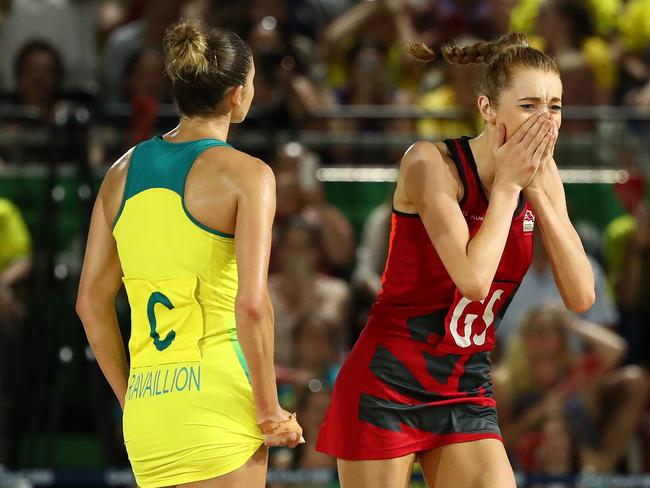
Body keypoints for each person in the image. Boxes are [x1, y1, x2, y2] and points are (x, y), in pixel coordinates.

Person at [317, 32, 596, 488]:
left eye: (555, 106)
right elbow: (473, 280)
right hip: (389, 381)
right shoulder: (430, 163)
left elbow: (582, 295)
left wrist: (538, 193)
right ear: (487, 108)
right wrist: (507, 186)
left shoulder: (542, 176)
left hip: (465, 385)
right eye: (529, 106)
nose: (545, 121)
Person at [76, 19, 302, 488]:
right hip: (219, 407)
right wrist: (269, 410)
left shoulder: (121, 172)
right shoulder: (248, 175)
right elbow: (254, 304)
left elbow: (90, 305)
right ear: (237, 94)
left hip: (149, 414)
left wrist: (131, 399)